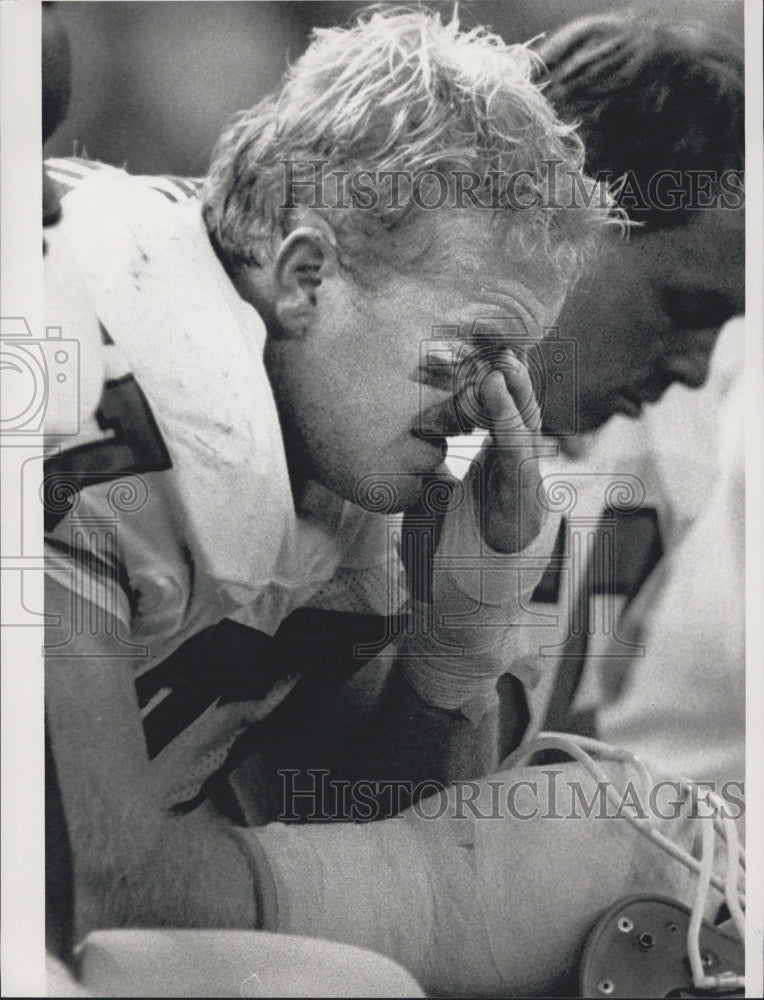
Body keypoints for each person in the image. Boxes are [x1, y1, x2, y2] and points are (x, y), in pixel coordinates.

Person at [41, 7, 737, 995]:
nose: (489, 398)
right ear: (306, 276)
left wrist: (453, 644)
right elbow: (90, 885)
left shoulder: (331, 418)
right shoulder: (81, 391)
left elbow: (351, 810)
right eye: (478, 345)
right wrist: (448, 901)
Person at [492, 11, 745, 752]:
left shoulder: (684, 443)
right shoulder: (368, 422)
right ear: (554, 213)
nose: (694, 366)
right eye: (684, 307)